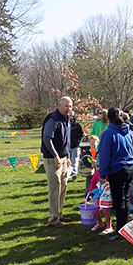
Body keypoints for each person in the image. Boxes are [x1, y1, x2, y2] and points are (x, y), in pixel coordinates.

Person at [96, 107, 133, 241]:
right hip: (129, 168)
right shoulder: (126, 132)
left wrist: (102, 174)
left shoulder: (108, 134)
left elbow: (104, 155)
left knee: (119, 202)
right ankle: (124, 228)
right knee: (124, 200)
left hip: (118, 170)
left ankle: (121, 231)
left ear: (108, 118)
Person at [42, 97, 73, 228]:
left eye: (70, 106)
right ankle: (53, 219)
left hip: (64, 158)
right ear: (59, 105)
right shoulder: (53, 119)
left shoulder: (66, 120)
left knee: (63, 186)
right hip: (53, 159)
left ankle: (59, 213)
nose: (69, 109)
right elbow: (47, 138)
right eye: (66, 106)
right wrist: (55, 156)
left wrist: (67, 156)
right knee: (55, 187)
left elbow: (66, 140)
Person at [69, 111, 84, 179]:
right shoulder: (65, 124)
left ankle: (74, 173)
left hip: (75, 145)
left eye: (72, 116)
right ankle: (68, 173)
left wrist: (78, 141)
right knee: (68, 160)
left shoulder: (77, 125)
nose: (71, 117)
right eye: (69, 116)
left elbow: (81, 134)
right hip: (67, 146)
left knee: (74, 160)